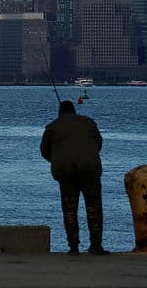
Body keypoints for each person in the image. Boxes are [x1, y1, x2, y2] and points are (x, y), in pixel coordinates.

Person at [40, 99, 109, 255]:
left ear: (60, 113)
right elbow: (98, 143)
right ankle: (96, 245)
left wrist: (58, 159)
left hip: (66, 172)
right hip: (90, 169)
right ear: (74, 111)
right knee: (94, 207)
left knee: (70, 209)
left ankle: (73, 246)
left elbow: (44, 151)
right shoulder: (89, 123)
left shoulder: (52, 127)